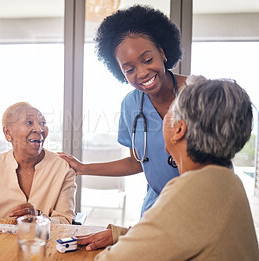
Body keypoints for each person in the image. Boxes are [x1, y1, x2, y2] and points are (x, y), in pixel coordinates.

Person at [79, 77, 259, 260]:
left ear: (179, 130)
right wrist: (123, 235)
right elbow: (185, 234)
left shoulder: (190, 189)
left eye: (170, 111)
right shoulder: (228, 181)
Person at [59, 5, 188, 216]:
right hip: (158, 208)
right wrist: (83, 168)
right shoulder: (131, 105)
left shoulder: (198, 92)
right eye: (129, 69)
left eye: (148, 60)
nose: (143, 72)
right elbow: (137, 162)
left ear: (162, 52)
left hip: (202, 201)